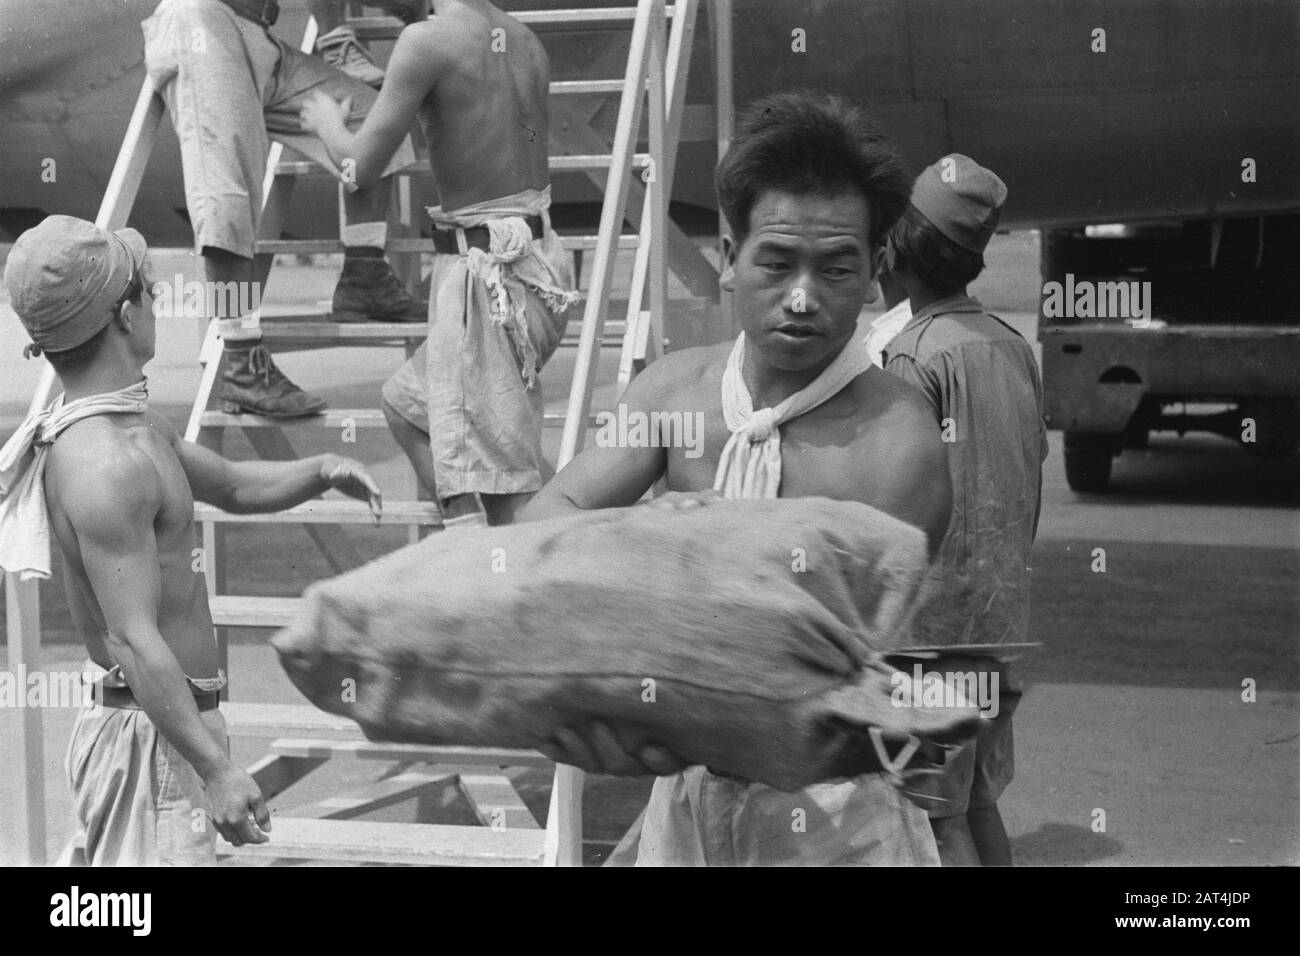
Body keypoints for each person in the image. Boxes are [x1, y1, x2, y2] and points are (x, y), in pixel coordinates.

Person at [517, 91, 955, 866]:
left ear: (877, 270)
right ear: (728, 254)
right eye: (777, 262)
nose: (801, 297)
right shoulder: (670, 394)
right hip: (689, 798)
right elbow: (541, 520)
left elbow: (796, 658)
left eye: (836, 269)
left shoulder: (901, 441)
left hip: (832, 811)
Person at [0, 216, 384, 865]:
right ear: (125, 315)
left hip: (169, 728)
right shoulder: (106, 464)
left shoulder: (140, 428)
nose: (158, 301)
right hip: (154, 739)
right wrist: (216, 769)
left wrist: (318, 470)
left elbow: (232, 485)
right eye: (149, 288)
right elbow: (131, 636)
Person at [299, 0, 577, 527]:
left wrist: (327, 123)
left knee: (504, 489)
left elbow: (359, 169)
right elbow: (526, 137)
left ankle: (515, 583)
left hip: (490, 277)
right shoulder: (524, 39)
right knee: (407, 406)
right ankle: (467, 546)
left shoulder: (427, 41)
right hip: (537, 260)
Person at [141, 0, 430, 419]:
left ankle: (365, 277)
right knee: (226, 195)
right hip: (206, 23)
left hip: (258, 34)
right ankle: (242, 362)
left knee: (370, 118)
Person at [879, 154, 1048, 866]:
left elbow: (898, 502)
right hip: (1001, 624)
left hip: (931, 634)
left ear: (897, 251)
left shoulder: (911, 358)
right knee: (977, 803)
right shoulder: (1012, 348)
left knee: (931, 820)